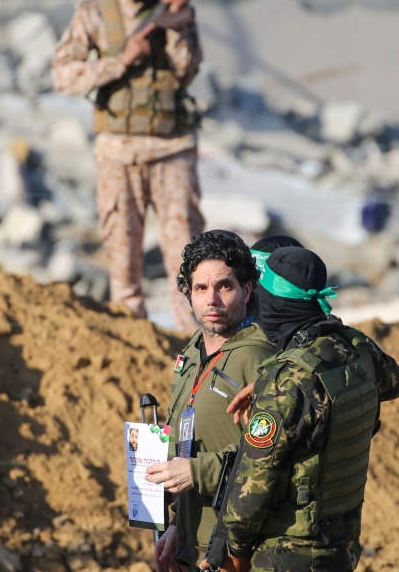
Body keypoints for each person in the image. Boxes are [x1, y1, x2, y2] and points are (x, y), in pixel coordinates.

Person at [52, 0, 204, 331]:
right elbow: (63, 76)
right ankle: (132, 343)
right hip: (118, 153)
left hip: (171, 151)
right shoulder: (94, 14)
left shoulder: (171, 9)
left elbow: (186, 71)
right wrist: (119, 61)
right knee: (123, 265)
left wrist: (177, 22)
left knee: (188, 262)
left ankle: (196, 350)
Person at [220, 247, 399, 572]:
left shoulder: (284, 381)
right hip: (341, 546)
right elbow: (394, 383)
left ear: (277, 303)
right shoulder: (358, 348)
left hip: (288, 552)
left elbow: (252, 491)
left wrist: (234, 551)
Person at [147, 231, 274, 572]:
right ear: (188, 293)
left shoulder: (261, 359)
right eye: (201, 288)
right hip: (193, 544)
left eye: (225, 286)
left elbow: (273, 460)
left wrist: (196, 472)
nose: (212, 300)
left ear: (247, 290)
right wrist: (178, 527)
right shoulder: (193, 349)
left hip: (236, 549)